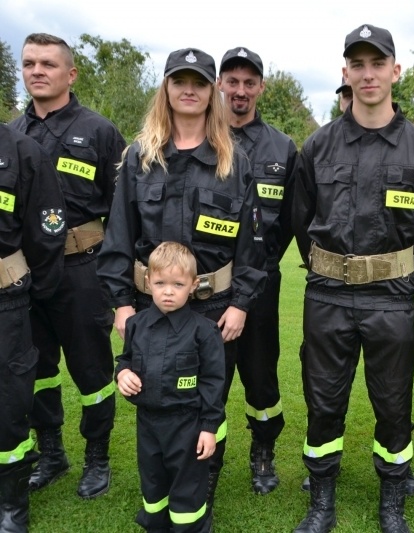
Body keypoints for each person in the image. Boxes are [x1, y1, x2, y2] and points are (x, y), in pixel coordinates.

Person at [96, 47, 265, 511]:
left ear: (213, 92)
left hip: (214, 306)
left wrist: (241, 303)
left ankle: (204, 474)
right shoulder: (140, 159)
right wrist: (123, 305)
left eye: (199, 82)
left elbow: (252, 246)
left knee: (209, 391)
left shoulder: (235, 161)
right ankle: (162, 471)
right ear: (166, 89)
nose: (188, 90)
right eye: (179, 81)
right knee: (158, 390)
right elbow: (118, 235)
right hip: (151, 305)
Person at [292, 24, 414, 533]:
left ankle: (392, 500)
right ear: (345, 73)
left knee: (394, 405)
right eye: (358, 64)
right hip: (328, 295)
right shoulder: (317, 147)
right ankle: (322, 500)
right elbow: (301, 221)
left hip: (392, 298)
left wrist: (397, 275)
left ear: (395, 71)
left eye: (377, 63)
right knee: (323, 403)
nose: (368, 73)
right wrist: (329, 269)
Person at [10, 32, 126, 499]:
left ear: (70, 74)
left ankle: (96, 457)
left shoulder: (99, 131)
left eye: (48, 64)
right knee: (36, 368)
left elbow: (123, 210)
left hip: (82, 268)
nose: (37, 71)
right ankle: (52, 451)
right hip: (26, 275)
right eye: (29, 63)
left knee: (92, 370)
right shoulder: (12, 135)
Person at [217, 46, 296, 495]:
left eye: (250, 83)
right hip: (208, 287)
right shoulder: (203, 139)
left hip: (261, 285)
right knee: (210, 373)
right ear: (221, 85)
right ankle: (208, 459)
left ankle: (263, 451)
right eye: (233, 81)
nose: (241, 91)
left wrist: (259, 266)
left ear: (261, 87)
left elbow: (289, 220)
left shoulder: (282, 147)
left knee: (261, 374)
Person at [116, 241, 225, 532]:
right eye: (161, 282)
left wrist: (209, 428)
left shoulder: (204, 331)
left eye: (177, 284)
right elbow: (125, 359)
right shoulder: (137, 325)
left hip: (187, 426)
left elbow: (214, 381)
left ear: (192, 285)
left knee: (187, 488)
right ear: (148, 282)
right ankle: (157, 525)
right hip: (148, 424)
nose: (168, 291)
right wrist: (122, 373)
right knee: (153, 484)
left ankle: (190, 527)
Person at [0, 124, 66, 532]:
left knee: (8, 403)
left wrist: (32, 290)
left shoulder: (21, 150)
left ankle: (11, 502)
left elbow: (46, 230)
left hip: (6, 297)